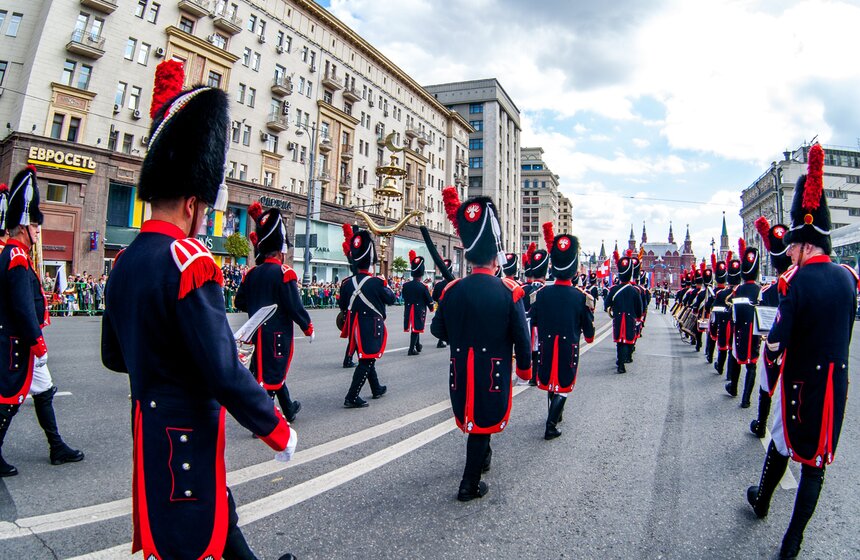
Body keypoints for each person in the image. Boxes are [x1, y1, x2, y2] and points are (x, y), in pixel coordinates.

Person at [100, 64, 297, 560]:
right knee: (193, 537)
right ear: (192, 203)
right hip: (184, 430)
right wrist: (274, 427)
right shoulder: (190, 261)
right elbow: (222, 371)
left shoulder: (124, 263)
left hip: (147, 426)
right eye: (205, 209)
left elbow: (114, 355)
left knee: (209, 523)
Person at [747, 144, 857, 559]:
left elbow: (777, 343)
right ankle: (793, 541)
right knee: (816, 464)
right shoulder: (849, 278)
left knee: (780, 441)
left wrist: (768, 376)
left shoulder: (795, 282)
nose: (788, 250)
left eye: (793, 244)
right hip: (834, 384)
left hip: (798, 382)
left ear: (806, 244)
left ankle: (762, 501)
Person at [431, 188, 531, 501]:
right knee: (481, 420)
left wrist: (461, 337)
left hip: (461, 370)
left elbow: (437, 329)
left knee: (475, 418)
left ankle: (483, 459)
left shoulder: (452, 290)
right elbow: (521, 338)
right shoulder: (509, 290)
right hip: (494, 370)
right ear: (494, 254)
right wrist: (525, 370)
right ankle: (469, 484)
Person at [0, 167, 84, 476]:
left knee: (43, 391)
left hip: (19, 341)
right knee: (8, 399)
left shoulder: (14, 255)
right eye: (35, 224)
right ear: (23, 225)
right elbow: (22, 308)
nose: (38, 230)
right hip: (18, 342)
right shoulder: (17, 259)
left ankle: (56, 446)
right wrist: (37, 342)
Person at [235, 202, 313, 423]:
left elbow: (240, 301)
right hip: (277, 334)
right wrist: (307, 326)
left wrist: (255, 307)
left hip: (256, 335)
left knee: (268, 372)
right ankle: (262, 419)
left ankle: (288, 409)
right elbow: (293, 305)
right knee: (270, 374)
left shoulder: (251, 274)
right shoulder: (284, 273)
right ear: (280, 251)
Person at [529, 223, 595, 439]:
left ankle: (554, 413)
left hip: (547, 343)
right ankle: (550, 425)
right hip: (569, 344)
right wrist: (589, 335)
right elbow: (588, 329)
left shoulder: (542, 293)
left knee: (550, 380)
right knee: (564, 385)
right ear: (574, 269)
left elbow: (535, 321)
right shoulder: (580, 296)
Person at [338, 228, 395, 407]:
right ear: (370, 261)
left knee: (366, 357)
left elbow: (343, 307)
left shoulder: (347, 284)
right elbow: (391, 299)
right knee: (367, 359)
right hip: (370, 327)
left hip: (354, 328)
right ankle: (352, 396)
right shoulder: (376, 282)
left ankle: (376, 388)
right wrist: (385, 283)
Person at [748, 216, 792, 438]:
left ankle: (762, 421)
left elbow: (763, 327)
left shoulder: (766, 292)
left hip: (774, 345)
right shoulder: (801, 282)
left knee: (767, 384)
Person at [725, 238, 761, 408]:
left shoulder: (737, 290)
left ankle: (733, 387)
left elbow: (730, 310)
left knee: (736, 358)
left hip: (738, 330)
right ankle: (746, 399)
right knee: (752, 363)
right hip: (755, 332)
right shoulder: (761, 290)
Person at [604, 251, 642, 373]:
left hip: (618, 318)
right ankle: (624, 360)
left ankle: (620, 361)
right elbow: (639, 308)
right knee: (627, 339)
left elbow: (606, 305)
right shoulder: (634, 291)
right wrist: (639, 317)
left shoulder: (614, 289)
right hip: (630, 318)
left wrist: (611, 310)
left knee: (619, 341)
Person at [522, 241, 549, 385]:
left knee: (529, 351)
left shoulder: (523, 289)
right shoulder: (547, 291)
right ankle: (535, 376)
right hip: (542, 327)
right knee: (539, 352)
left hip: (527, 326)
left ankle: (528, 373)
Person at [402, 250, 433, 356]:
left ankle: (417, 345)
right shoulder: (423, 286)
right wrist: (431, 307)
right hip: (418, 310)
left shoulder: (406, 285)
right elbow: (428, 299)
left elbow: (405, 296)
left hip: (408, 308)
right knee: (416, 328)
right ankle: (411, 349)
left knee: (415, 327)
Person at [431, 258, 454, 348]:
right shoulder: (455, 283)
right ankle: (445, 340)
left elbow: (434, 297)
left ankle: (442, 340)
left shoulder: (438, 285)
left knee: (441, 323)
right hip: (451, 307)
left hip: (441, 306)